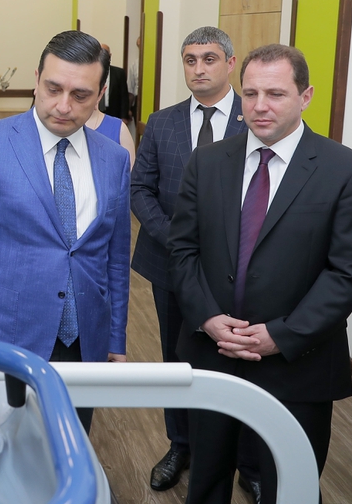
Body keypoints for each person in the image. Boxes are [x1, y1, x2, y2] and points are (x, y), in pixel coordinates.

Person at [168, 44, 352, 504]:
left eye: (276, 94)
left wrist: (281, 335)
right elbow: (182, 250)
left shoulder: (347, 170)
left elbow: (349, 272)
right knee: (206, 482)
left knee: (290, 487)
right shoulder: (206, 162)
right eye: (250, 94)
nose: (260, 106)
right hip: (213, 354)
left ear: (306, 97)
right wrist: (207, 318)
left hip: (297, 363)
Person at [0, 30, 131, 434]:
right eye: (53, 89)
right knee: (7, 451)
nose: (64, 106)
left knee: (71, 443)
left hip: (84, 340)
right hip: (5, 338)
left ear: (101, 93)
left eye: (81, 95)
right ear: (36, 80)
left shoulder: (114, 159)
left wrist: (115, 338)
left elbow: (116, 257)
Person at [131, 26, 258, 495]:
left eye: (209, 59)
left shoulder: (255, 117)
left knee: (239, 362)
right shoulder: (161, 122)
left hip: (239, 271)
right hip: (169, 266)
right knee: (176, 358)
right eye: (190, 60)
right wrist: (177, 241)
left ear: (230, 63)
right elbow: (140, 189)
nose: (199, 69)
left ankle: (248, 461)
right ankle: (180, 444)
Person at [87, 47, 136, 167]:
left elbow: (124, 95)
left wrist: (124, 115)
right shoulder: (65, 126)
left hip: (113, 111)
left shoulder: (119, 129)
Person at [100, 42, 131, 121]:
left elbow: (124, 97)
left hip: (113, 113)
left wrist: (124, 117)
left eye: (105, 53)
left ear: (110, 55)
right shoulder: (90, 73)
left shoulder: (119, 73)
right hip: (95, 113)